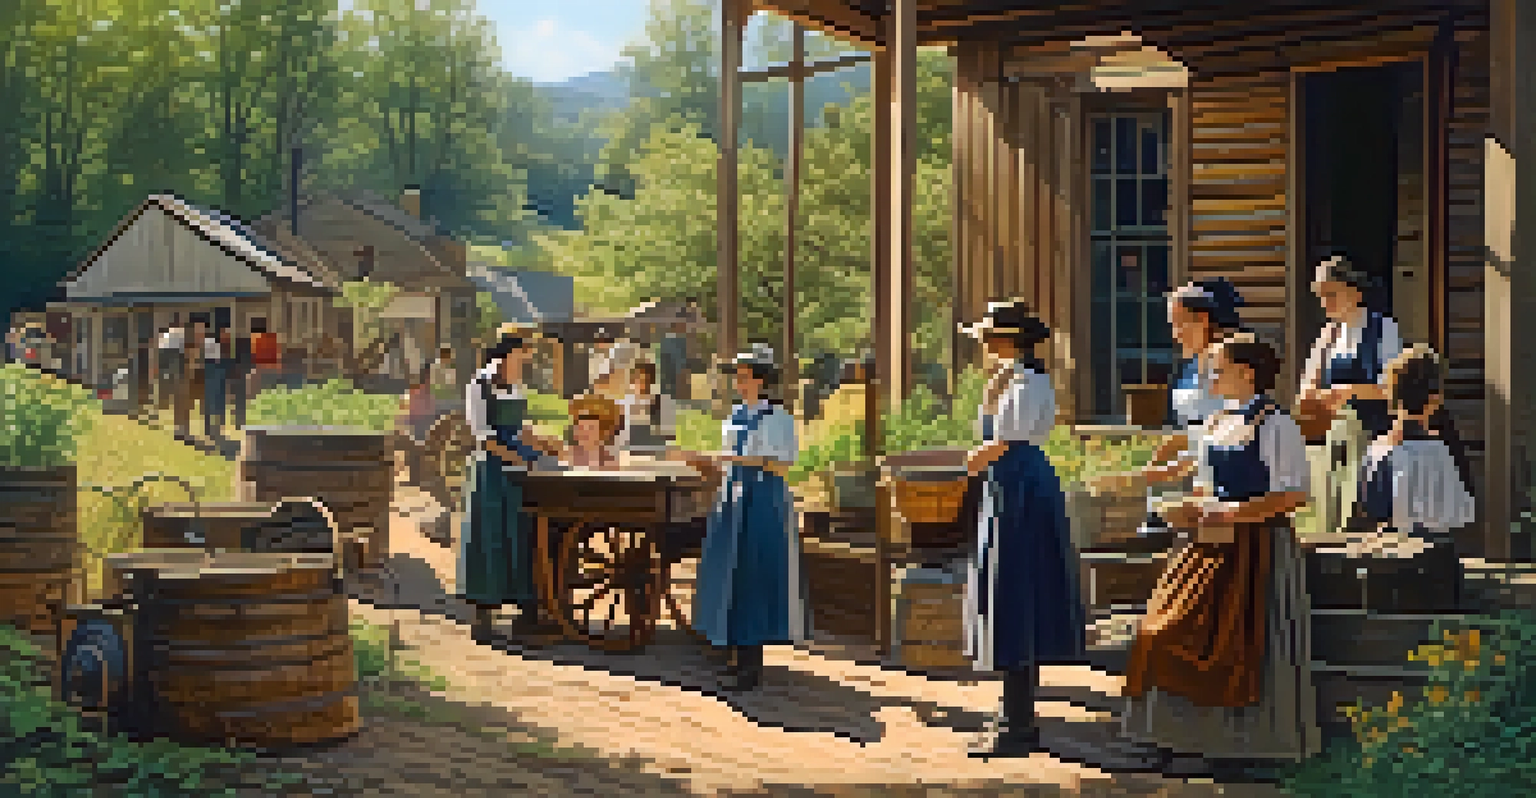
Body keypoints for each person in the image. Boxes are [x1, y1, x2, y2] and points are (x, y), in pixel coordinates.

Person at [1118, 333, 1319, 774]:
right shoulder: (1216, 421)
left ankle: (1235, 748)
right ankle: (1171, 738)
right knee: (1158, 631)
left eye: (1218, 370)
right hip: (1207, 541)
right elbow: (1206, 483)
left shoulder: (1275, 424)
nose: (1209, 379)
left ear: (1247, 373)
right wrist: (1190, 505)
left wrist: (1231, 512)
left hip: (1255, 548)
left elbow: (1294, 494)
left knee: (1235, 645)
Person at [954, 299, 1085, 759]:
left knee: (1017, 591)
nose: (985, 345)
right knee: (1007, 590)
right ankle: (1013, 714)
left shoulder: (1029, 383)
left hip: (1021, 487)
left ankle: (1019, 723)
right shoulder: (1010, 379)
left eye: (989, 337)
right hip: (1008, 483)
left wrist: (974, 460)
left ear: (1007, 340)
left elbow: (1006, 439)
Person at [676, 343, 802, 692]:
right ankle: (732, 653)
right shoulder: (734, 416)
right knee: (728, 572)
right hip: (732, 496)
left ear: (762, 380)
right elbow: (728, 459)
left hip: (762, 499)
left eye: (745, 377)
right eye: (738, 377)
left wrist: (736, 459)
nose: (739, 383)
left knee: (753, 575)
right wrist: (703, 460)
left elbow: (781, 465)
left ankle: (751, 665)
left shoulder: (778, 419)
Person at [1092, 279, 1250, 532]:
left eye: (1179, 323)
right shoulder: (1190, 367)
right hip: (1191, 477)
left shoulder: (1229, 370)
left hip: (1223, 481)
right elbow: (1193, 429)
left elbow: (1225, 436)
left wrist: (1152, 474)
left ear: (1203, 320)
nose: (1174, 334)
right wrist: (1159, 458)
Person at [460, 325, 565, 643]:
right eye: (523, 355)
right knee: (490, 535)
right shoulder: (479, 386)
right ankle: (483, 616)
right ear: (506, 355)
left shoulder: (516, 387)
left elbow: (519, 429)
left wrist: (545, 444)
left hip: (518, 471)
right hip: (492, 472)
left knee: (520, 533)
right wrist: (521, 459)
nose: (526, 361)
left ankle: (526, 612)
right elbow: (484, 438)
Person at [1296, 254, 1404, 535]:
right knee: (1334, 510)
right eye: (1321, 296)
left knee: (1363, 511)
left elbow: (1391, 387)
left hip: (1372, 436)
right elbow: (1307, 389)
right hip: (1334, 436)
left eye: (1332, 294)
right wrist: (1318, 397)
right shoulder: (1328, 335)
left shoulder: (1382, 329)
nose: (1325, 303)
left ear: (1355, 292)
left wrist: (1348, 391)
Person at [1354, 345, 1476, 541]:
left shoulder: (1377, 450)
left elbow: (1369, 507)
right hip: (1433, 549)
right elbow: (1460, 511)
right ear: (1434, 399)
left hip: (1389, 548)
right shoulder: (1440, 451)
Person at [617, 361, 676, 452]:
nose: (642, 384)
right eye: (638, 379)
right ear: (632, 381)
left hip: (655, 449)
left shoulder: (663, 402)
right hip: (628, 450)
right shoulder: (623, 403)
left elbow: (669, 436)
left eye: (646, 380)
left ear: (652, 381)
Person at [564, 393, 623, 469]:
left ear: (605, 431)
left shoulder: (611, 465)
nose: (584, 433)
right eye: (580, 427)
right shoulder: (566, 458)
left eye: (590, 428)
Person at [201, 323, 227, 439]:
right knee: (212, 403)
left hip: (214, 375)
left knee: (213, 403)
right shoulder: (211, 343)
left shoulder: (213, 343)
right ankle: (212, 429)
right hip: (213, 375)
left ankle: (213, 429)